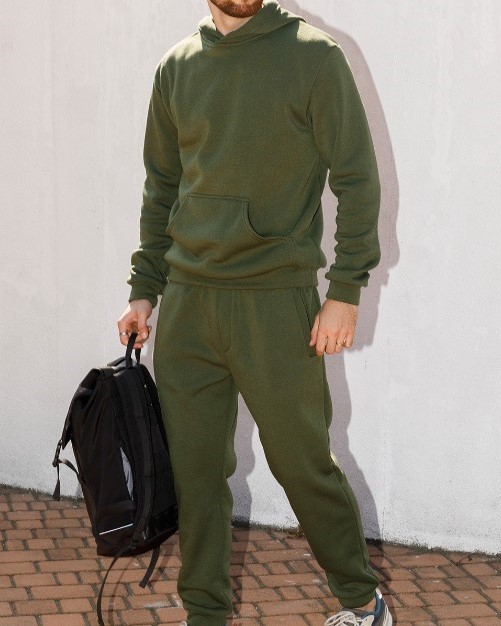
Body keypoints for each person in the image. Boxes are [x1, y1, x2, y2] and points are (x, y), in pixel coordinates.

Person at [118, 1, 392, 625]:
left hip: (275, 304)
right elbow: (162, 187)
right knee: (196, 475)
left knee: (302, 464)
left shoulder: (314, 57)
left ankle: (362, 601)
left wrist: (345, 290)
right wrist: (144, 289)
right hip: (188, 305)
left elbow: (357, 177)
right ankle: (205, 615)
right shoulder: (176, 67)